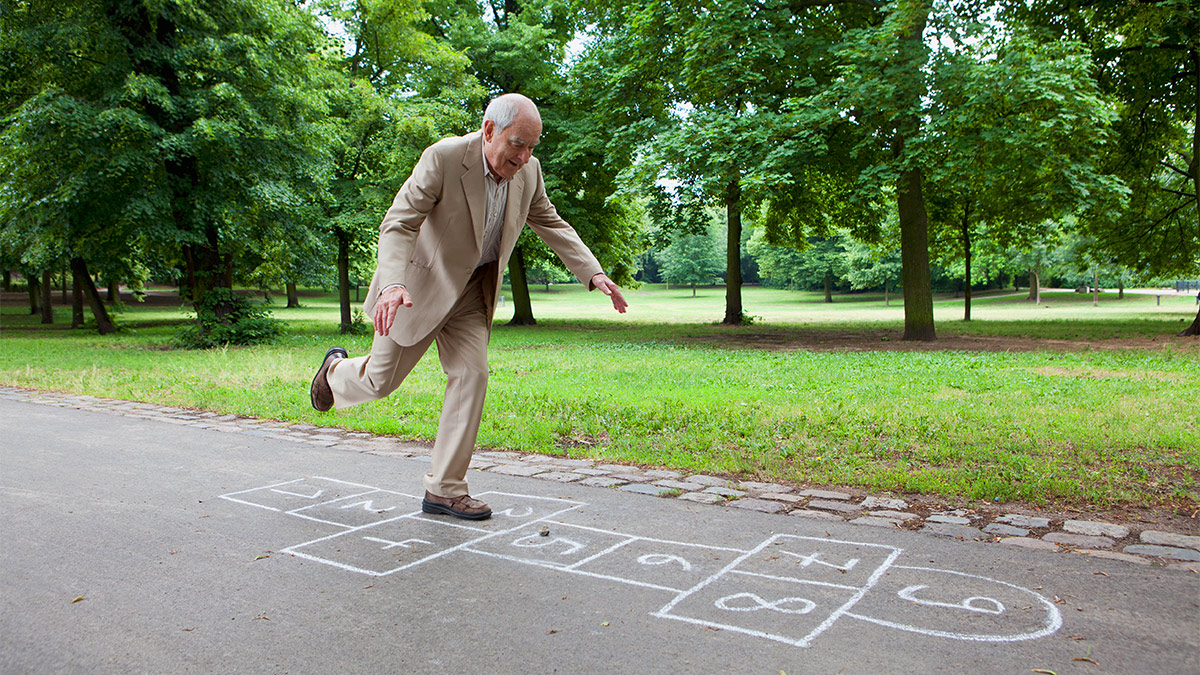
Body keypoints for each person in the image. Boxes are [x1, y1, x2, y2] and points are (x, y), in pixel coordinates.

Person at [309, 93, 628, 520]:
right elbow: (399, 222)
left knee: (472, 375)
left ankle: (444, 489)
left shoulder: (528, 172)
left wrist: (593, 272)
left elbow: (550, 220)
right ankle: (334, 373)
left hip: (472, 294)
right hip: (416, 289)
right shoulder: (444, 158)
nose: (525, 156)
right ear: (489, 130)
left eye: (533, 146)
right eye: (518, 143)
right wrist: (392, 284)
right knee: (381, 382)